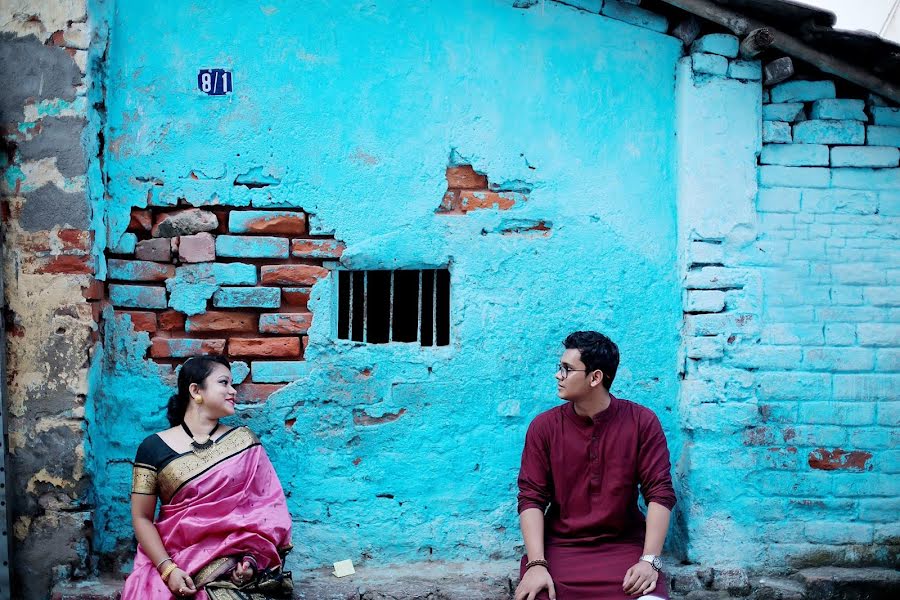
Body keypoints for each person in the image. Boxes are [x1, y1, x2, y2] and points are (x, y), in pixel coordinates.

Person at [514, 331, 676, 600]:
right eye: (559, 368)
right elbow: (531, 497)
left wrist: (649, 561)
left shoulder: (642, 422)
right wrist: (536, 564)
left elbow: (660, 492)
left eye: (567, 369)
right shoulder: (544, 427)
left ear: (595, 377)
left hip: (624, 549)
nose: (558, 375)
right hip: (559, 551)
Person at [121, 355, 293, 599]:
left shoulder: (244, 443)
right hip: (175, 559)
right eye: (224, 383)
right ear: (195, 390)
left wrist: (249, 563)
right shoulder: (152, 448)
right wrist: (168, 569)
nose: (233, 391)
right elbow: (141, 518)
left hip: (234, 563)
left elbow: (267, 512)